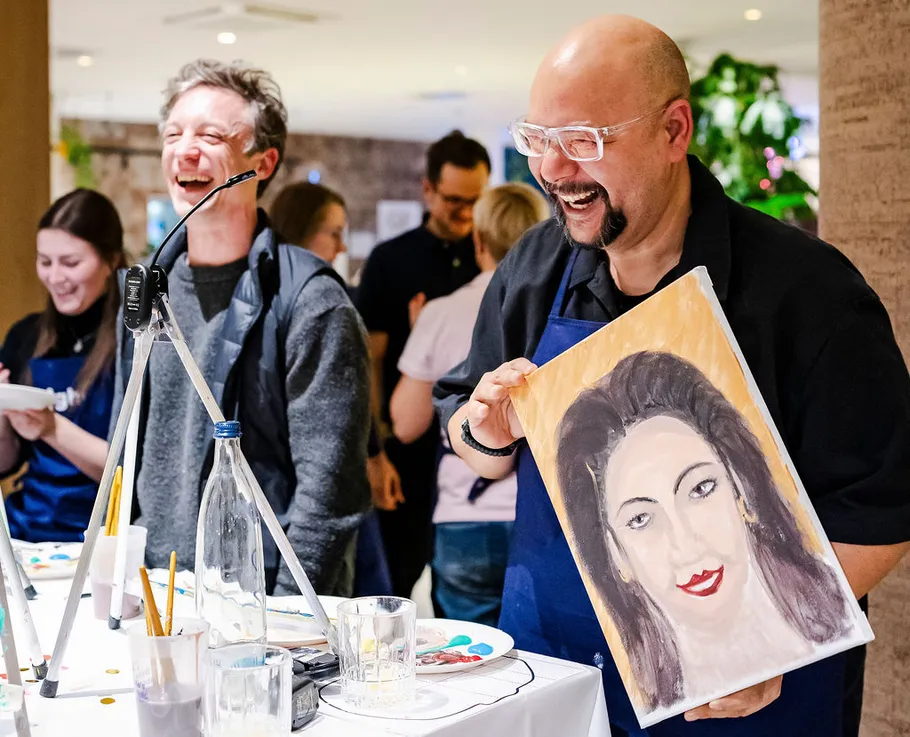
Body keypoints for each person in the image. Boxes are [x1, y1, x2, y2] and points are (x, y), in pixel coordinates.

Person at [434, 14, 910, 737]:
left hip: (742, 703)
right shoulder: (536, 265)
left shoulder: (807, 293)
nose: (555, 172)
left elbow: (880, 510)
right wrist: (486, 429)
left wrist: (768, 633)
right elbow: (467, 424)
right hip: (562, 687)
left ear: (674, 131)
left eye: (585, 143)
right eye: (539, 141)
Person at [111, 59, 371, 596]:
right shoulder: (145, 291)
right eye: (173, 135)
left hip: (253, 602)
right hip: (148, 593)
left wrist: (289, 619)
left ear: (263, 162)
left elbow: (329, 496)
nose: (185, 150)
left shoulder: (309, 302)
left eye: (210, 136)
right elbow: (123, 455)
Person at [557, 350, 853, 712]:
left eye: (700, 489)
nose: (686, 547)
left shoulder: (826, 614)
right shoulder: (646, 687)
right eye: (640, 519)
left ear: (741, 488)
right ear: (616, 555)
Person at [390, 183, 549, 625]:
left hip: (465, 516)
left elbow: (405, 423)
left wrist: (421, 333)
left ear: (477, 240)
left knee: (474, 670)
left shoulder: (441, 312)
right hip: (541, 513)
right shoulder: (558, 309)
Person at [356, 130, 490, 598]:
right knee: (392, 589)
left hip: (477, 455)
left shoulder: (494, 260)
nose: (466, 212)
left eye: (476, 200)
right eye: (454, 199)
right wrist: (378, 451)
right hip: (406, 450)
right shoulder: (390, 261)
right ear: (428, 190)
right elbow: (369, 361)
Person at [269, 180, 396, 595]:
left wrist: (375, 455)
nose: (341, 248)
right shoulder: (298, 303)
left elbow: (348, 400)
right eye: (335, 233)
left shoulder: (324, 298)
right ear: (301, 229)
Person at [0, 189, 126, 542]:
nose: (55, 277)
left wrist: (50, 426)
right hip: (25, 529)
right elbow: (6, 462)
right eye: (45, 261)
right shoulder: (26, 335)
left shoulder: (136, 342)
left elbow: (136, 473)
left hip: (103, 540)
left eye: (70, 263)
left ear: (111, 259)